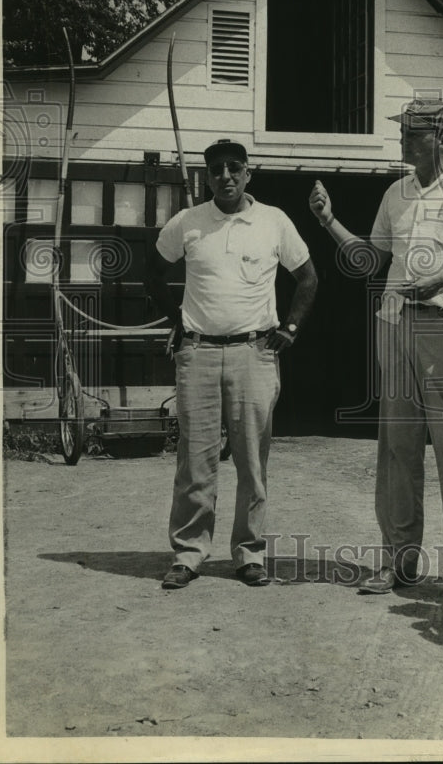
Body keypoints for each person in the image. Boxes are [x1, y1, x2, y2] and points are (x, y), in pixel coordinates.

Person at [308, 99, 443, 607]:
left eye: (411, 133)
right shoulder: (395, 192)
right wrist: (329, 221)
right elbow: (370, 259)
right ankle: (399, 559)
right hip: (393, 322)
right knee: (397, 447)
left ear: (441, 136)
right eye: (402, 131)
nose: (402, 141)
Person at [147, 139, 318, 589]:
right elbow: (154, 272)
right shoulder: (188, 222)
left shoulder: (273, 221)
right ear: (208, 175)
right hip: (198, 353)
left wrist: (291, 329)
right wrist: (177, 324)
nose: (225, 176)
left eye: (234, 168)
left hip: (254, 353)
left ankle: (249, 553)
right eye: (217, 169)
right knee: (195, 460)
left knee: (251, 460)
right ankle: (188, 552)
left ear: (247, 174)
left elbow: (307, 278)